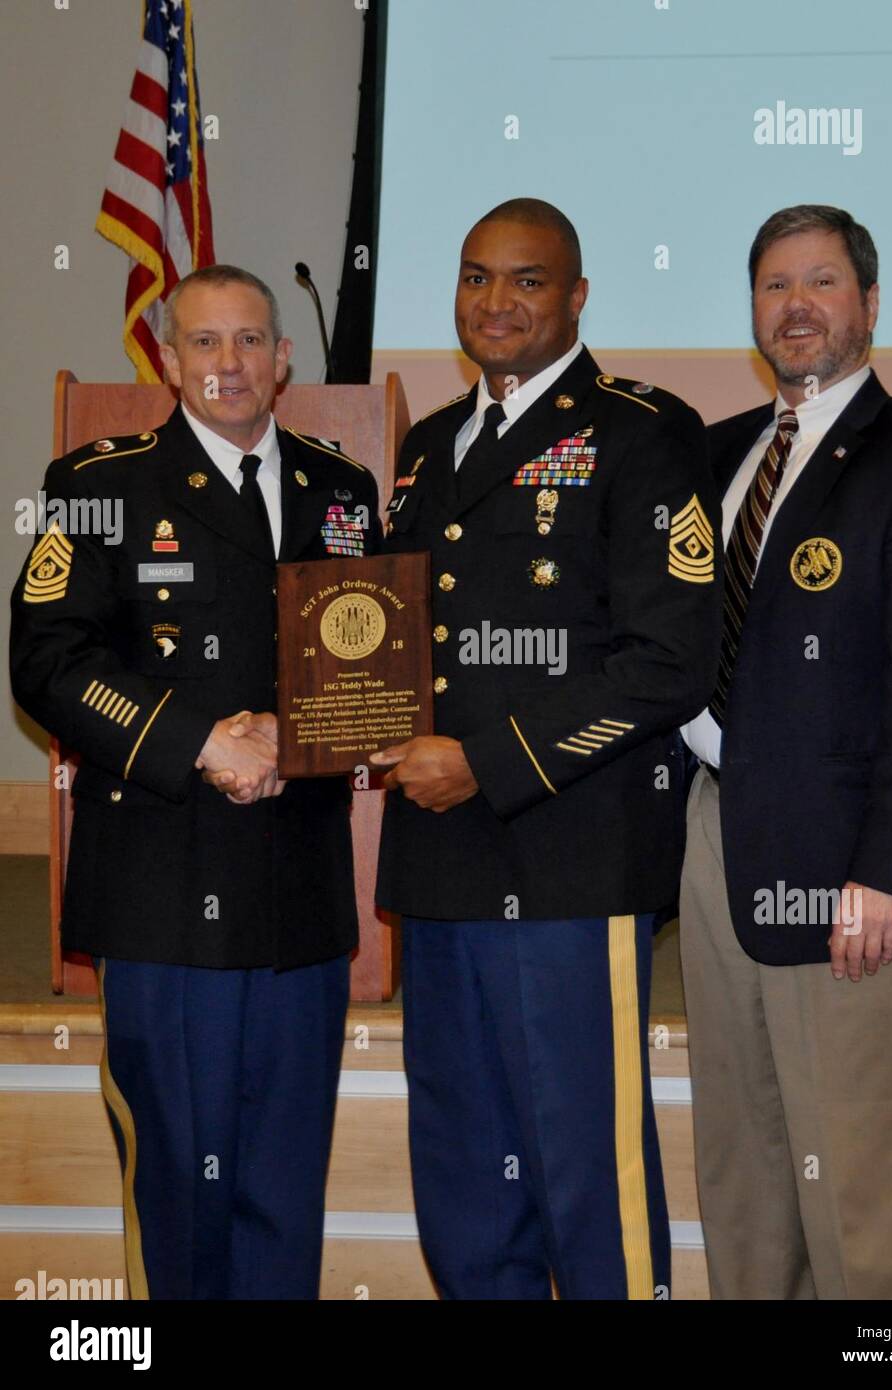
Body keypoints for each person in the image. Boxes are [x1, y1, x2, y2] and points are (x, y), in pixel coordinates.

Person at [368, 198, 722, 1300]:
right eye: (476, 277)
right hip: (440, 860)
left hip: (567, 855)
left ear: (576, 297)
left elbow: (669, 661)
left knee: (585, 1165)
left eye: (527, 280)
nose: (496, 301)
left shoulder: (643, 429)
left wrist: (489, 761)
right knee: (465, 1165)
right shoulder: (428, 446)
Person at [9, 264, 381, 1299]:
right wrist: (202, 739)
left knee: (283, 1181)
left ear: (285, 357)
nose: (231, 364)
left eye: (251, 341)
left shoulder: (339, 488)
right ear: (169, 360)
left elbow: (367, 666)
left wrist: (291, 733)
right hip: (163, 892)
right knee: (177, 1184)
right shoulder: (97, 485)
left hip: (298, 897)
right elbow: (48, 659)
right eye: (207, 344)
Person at [678, 205, 892, 1299]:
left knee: (867, 1193)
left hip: (853, 869)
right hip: (716, 837)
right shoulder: (716, 455)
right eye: (775, 285)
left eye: (822, 282)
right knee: (744, 1167)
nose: (797, 305)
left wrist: (887, 869)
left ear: (869, 304)